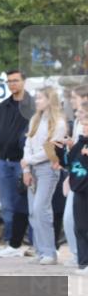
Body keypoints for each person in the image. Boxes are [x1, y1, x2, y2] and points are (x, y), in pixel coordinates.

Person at [0, 87, 66, 262]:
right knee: (33, 212)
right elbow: (28, 143)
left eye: (40, 98)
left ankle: (50, 252)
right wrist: (27, 168)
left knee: (41, 209)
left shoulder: (58, 123)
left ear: (50, 100)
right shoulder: (35, 119)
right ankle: (40, 250)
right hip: (32, 168)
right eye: (36, 98)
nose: (36, 101)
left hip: (47, 170)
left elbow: (50, 149)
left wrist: (29, 161)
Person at [0, 70, 34, 244]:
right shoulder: (3, 106)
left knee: (29, 204)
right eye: (9, 81)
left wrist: (21, 141)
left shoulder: (32, 106)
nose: (12, 84)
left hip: (24, 161)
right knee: (7, 205)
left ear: (24, 82)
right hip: (4, 160)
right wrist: (0, 137)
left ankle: (34, 242)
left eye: (15, 81)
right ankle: (11, 242)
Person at [62, 85, 88, 266]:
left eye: (74, 97)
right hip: (78, 180)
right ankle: (81, 258)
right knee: (75, 222)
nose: (71, 101)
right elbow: (72, 158)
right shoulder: (80, 129)